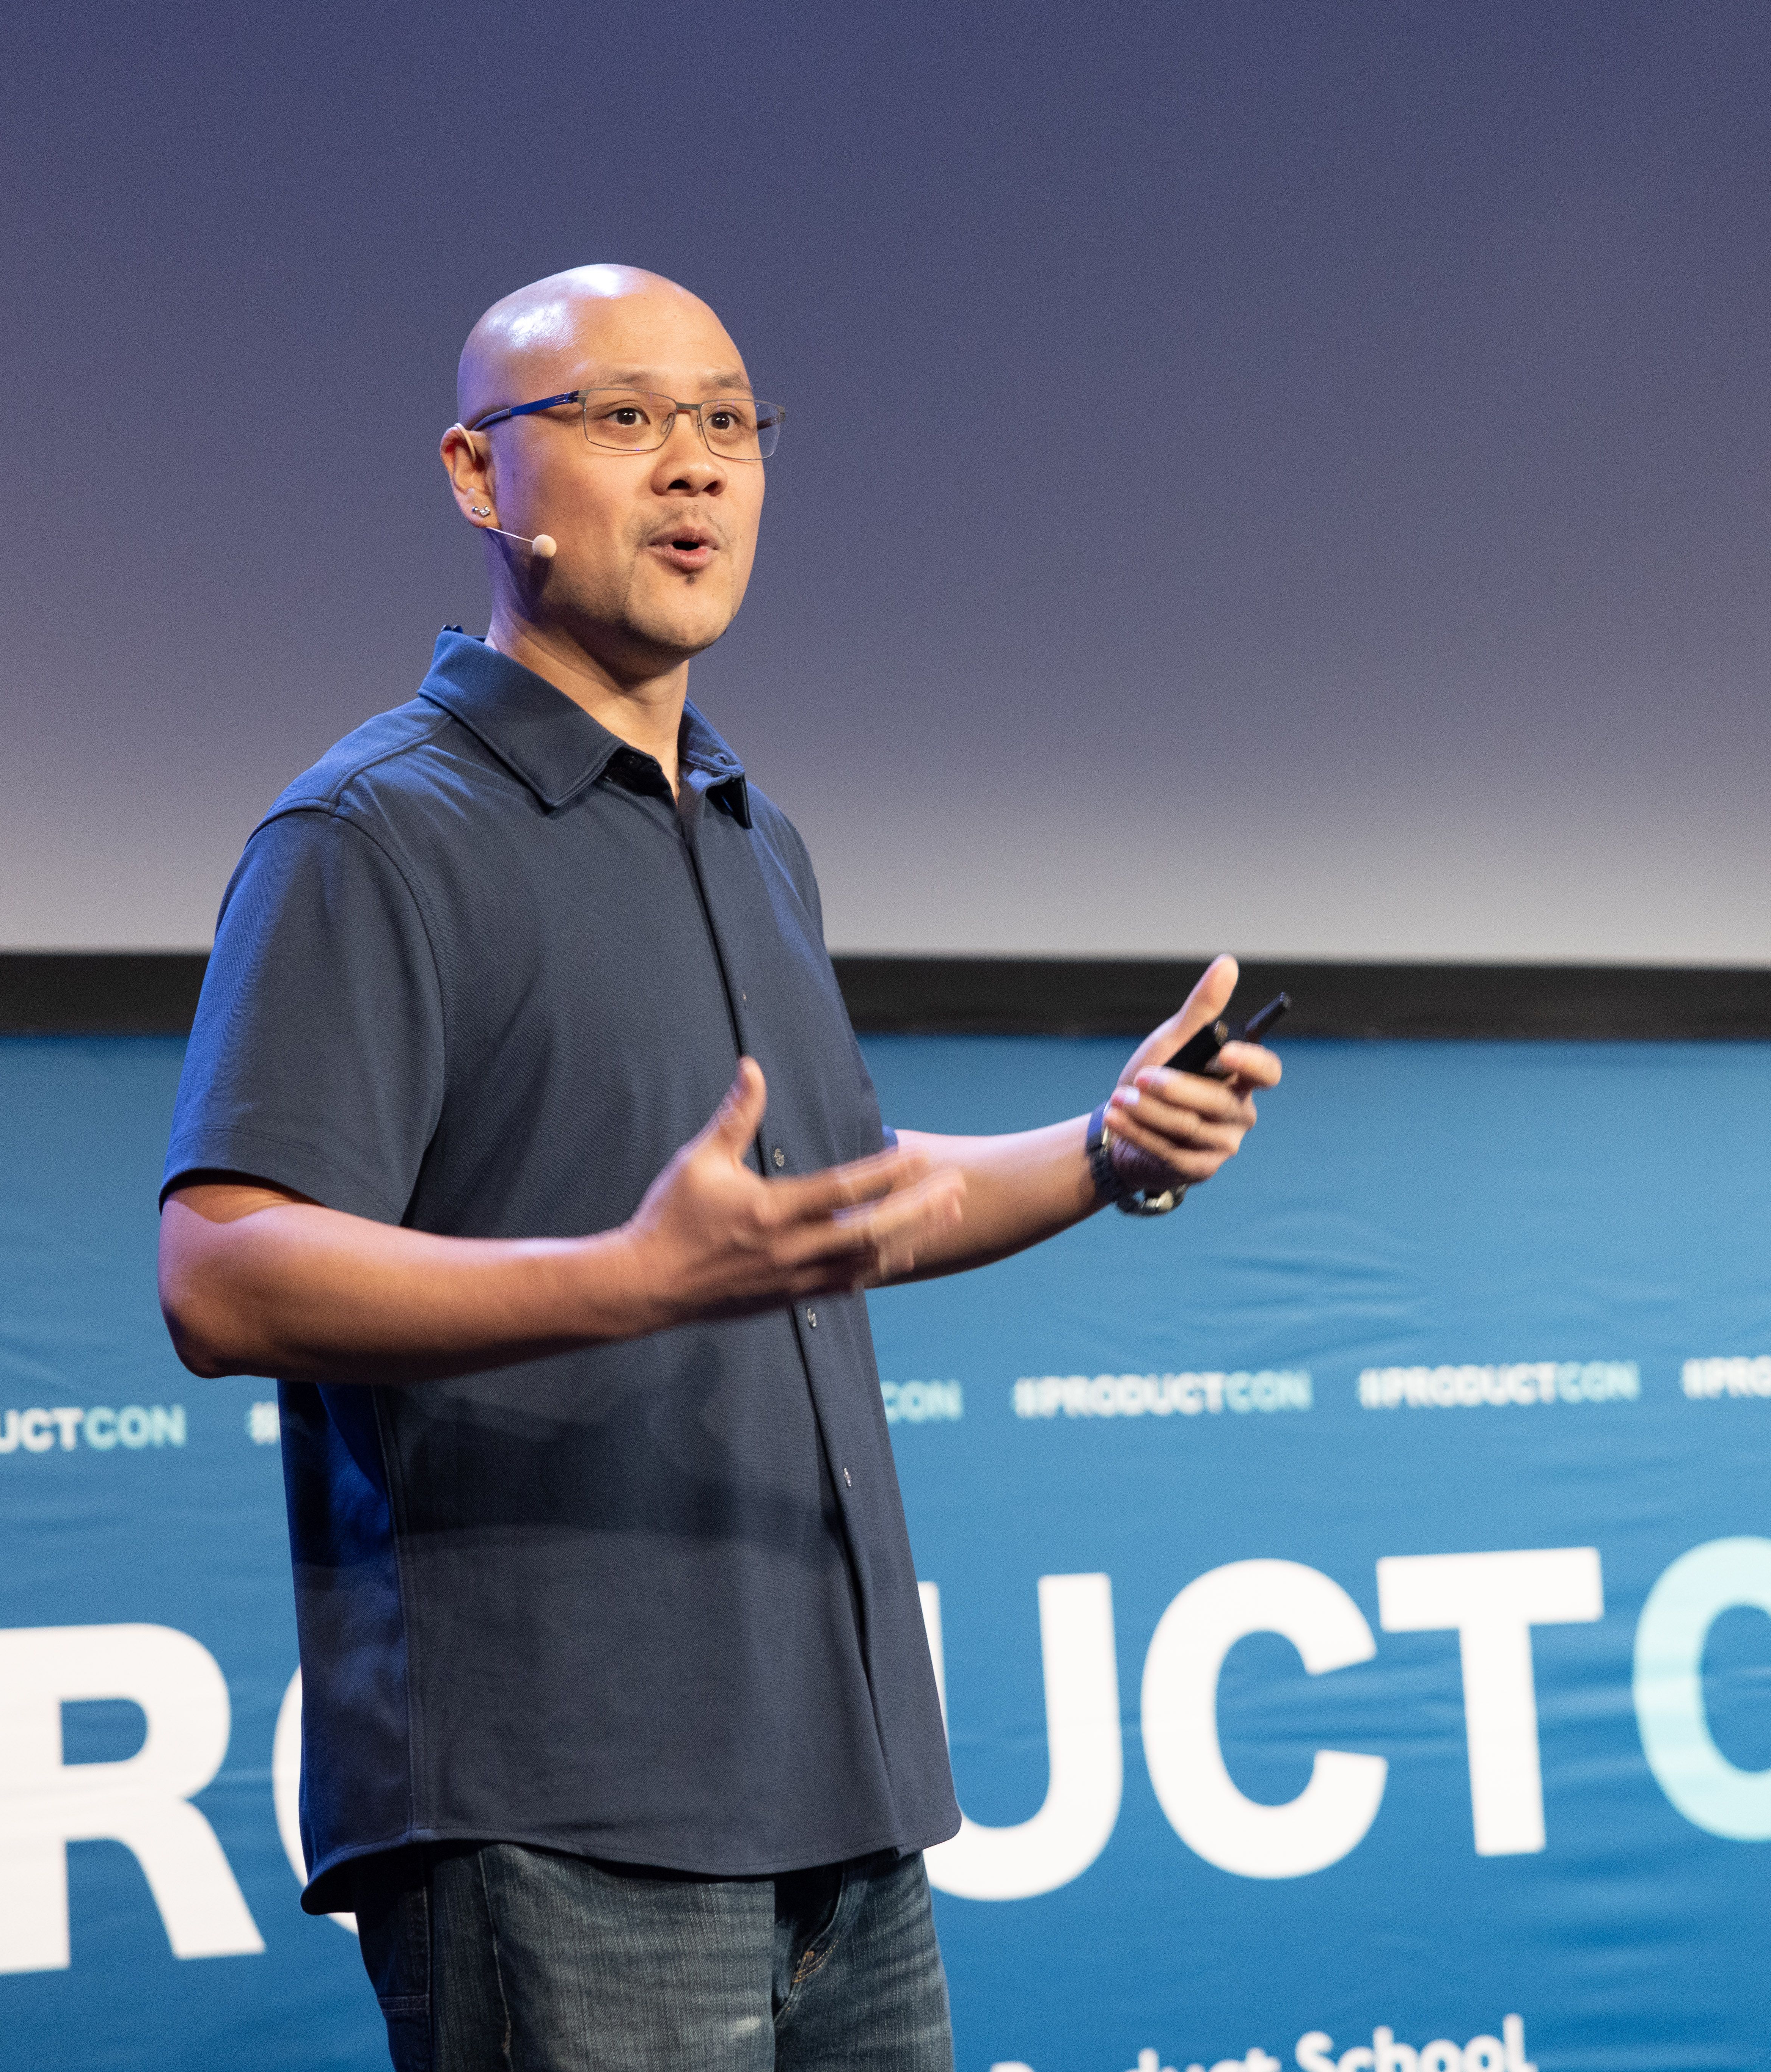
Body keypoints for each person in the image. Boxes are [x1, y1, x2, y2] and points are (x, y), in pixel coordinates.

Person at [155, 263, 1283, 2072]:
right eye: (620, 417)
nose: (691, 468)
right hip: (557, 1810)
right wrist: (629, 1276)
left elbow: (837, 1200)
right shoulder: (368, 833)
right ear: (474, 473)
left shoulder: (752, 835)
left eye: (727, 421)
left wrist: (1101, 1151)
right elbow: (221, 1274)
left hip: (837, 1799)